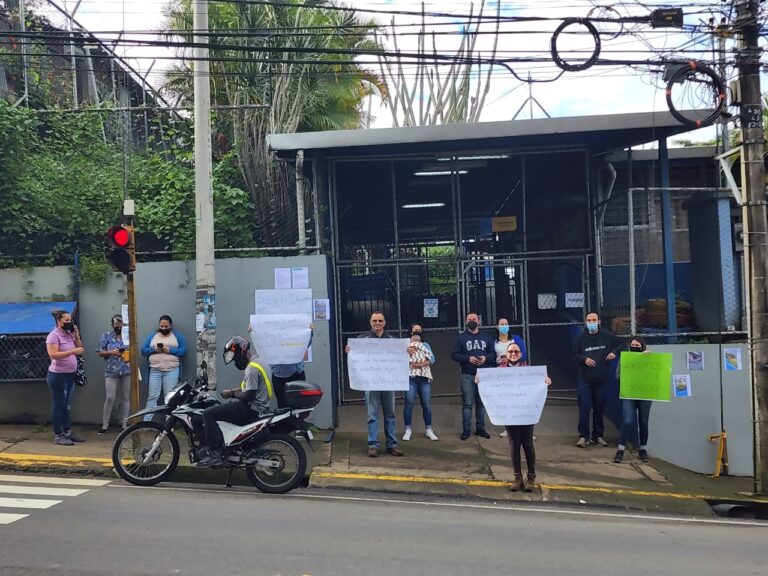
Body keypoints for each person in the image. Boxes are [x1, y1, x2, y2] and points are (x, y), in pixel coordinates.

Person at [476, 341, 551, 492]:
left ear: (521, 354)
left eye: (516, 352)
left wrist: (546, 382)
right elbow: (488, 385)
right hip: (509, 413)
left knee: (528, 443)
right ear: (506, 354)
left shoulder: (529, 371)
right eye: (511, 352)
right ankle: (517, 477)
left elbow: (539, 385)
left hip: (526, 412)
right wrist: (480, 380)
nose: (513, 354)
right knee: (514, 443)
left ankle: (531, 476)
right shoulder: (499, 371)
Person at [194, 336, 272, 468]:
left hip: (251, 408)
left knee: (208, 414)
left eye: (235, 357)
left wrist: (232, 394)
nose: (235, 361)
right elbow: (250, 388)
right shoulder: (260, 362)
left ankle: (213, 452)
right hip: (259, 407)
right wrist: (233, 391)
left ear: (242, 351)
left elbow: (249, 395)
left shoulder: (251, 369)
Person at [345, 311, 404, 458]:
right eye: (375, 321)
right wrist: (349, 351)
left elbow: (401, 354)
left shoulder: (392, 340)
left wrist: (407, 350)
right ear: (370, 323)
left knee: (390, 415)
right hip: (371, 383)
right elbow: (354, 356)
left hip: (389, 383)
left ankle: (392, 445)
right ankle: (373, 445)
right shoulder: (362, 339)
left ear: (385, 323)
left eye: (380, 320)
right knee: (372, 415)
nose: (377, 323)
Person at [572, 311, 621, 448]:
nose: (591, 322)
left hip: (601, 378)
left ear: (599, 321)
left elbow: (621, 344)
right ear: (586, 322)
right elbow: (574, 355)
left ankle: (598, 435)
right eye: (589, 320)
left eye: (594, 320)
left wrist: (613, 352)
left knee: (599, 408)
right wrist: (584, 359)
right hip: (585, 379)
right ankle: (583, 436)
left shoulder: (607, 336)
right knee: (584, 407)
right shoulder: (580, 338)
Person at [451, 311, 496, 441]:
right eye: (469, 319)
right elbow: (454, 355)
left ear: (479, 321)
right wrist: (468, 358)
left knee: (481, 404)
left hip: (483, 375)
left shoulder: (487, 337)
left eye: (474, 319)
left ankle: (481, 429)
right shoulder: (461, 338)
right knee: (467, 404)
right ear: (466, 322)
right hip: (467, 374)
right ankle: (466, 430)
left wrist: (485, 358)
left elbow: (493, 353)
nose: (472, 321)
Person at [45, 309, 85, 446]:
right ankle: (58, 434)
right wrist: (72, 351)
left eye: (71, 320)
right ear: (59, 321)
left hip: (70, 374)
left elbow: (80, 348)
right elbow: (53, 355)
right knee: (59, 404)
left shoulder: (69, 334)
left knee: (67, 405)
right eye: (66, 321)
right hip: (58, 375)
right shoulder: (53, 336)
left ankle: (68, 431)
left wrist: (77, 336)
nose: (70, 323)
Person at [141, 315, 187, 421]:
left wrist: (169, 350)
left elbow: (183, 351)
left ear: (171, 326)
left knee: (170, 397)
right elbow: (143, 351)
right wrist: (154, 350)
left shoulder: (177, 336)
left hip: (172, 370)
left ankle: (169, 423)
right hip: (154, 370)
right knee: (152, 396)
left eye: (166, 326)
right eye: (162, 326)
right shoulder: (152, 336)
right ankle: (146, 422)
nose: (164, 328)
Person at [614, 336, 652, 463]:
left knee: (643, 421)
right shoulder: (625, 358)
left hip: (645, 394)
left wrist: (648, 359)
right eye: (633, 345)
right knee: (628, 420)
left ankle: (643, 449)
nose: (635, 347)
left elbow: (656, 374)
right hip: (629, 393)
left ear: (642, 347)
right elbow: (617, 376)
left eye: (637, 345)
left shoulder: (649, 358)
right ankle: (620, 449)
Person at [403, 325, 438, 441]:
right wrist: (406, 352)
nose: (417, 332)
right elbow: (399, 358)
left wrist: (420, 365)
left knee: (426, 404)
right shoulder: (405, 344)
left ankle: (429, 429)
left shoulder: (426, 345)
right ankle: (408, 429)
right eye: (415, 330)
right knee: (409, 403)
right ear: (410, 331)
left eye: (419, 330)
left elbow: (432, 359)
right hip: (410, 378)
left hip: (424, 378)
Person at [96, 315, 130, 434]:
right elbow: (100, 352)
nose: (119, 327)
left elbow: (135, 350)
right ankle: (105, 424)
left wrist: (126, 354)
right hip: (111, 370)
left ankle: (124, 424)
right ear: (112, 325)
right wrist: (111, 352)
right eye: (116, 325)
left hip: (126, 369)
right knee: (110, 397)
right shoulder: (106, 336)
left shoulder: (128, 336)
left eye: (121, 325)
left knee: (126, 396)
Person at [267, 322, 314, 408]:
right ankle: (286, 422)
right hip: (279, 376)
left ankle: (298, 421)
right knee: (282, 406)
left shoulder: (295, 336)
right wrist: (254, 332)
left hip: (296, 374)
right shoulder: (272, 337)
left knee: (299, 406)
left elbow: (305, 344)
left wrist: (310, 332)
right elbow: (262, 344)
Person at [494, 318, 527, 438]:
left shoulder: (516, 339)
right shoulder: (495, 342)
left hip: (517, 373)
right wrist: (498, 360)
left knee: (520, 400)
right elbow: (493, 358)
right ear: (497, 327)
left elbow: (524, 354)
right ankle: (508, 428)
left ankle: (525, 428)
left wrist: (509, 358)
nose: (504, 326)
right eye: (501, 324)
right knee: (506, 401)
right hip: (502, 374)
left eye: (506, 324)